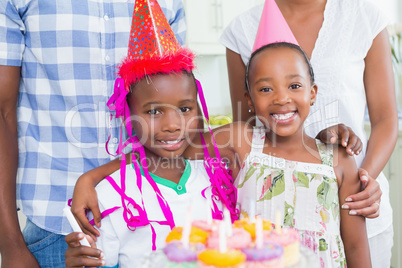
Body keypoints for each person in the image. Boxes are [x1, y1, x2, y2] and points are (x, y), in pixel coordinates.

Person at [0, 0, 186, 267]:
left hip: (151, 223)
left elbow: (177, 105)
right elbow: (2, 113)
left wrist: (95, 176)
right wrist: (10, 245)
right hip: (56, 229)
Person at [219, 0, 398, 266]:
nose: (282, 97)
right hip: (270, 227)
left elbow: (385, 120)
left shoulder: (363, 15)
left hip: (356, 205)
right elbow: (247, 131)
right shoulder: (242, 30)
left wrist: (362, 181)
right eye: (267, 89)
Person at [64, 1, 233, 266]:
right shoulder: (108, 196)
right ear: (127, 115)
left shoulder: (216, 179)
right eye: (154, 112)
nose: (172, 125)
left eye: (185, 108)